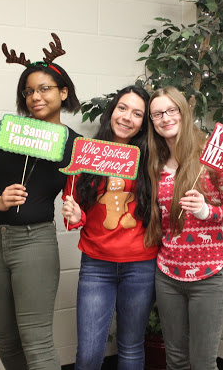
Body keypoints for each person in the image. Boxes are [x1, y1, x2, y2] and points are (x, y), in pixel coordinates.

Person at [0, 40, 81, 370]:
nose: (35, 97)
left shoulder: (76, 145)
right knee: (6, 337)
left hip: (35, 243)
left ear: (63, 92)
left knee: (36, 340)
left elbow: (86, 199)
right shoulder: (4, 131)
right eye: (28, 92)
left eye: (44, 89)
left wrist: (77, 211)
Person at [144, 86, 223, 370]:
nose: (165, 118)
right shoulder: (155, 162)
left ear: (183, 112)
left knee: (202, 362)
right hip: (168, 275)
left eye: (171, 110)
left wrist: (206, 211)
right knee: (175, 360)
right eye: (157, 114)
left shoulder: (212, 156)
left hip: (209, 276)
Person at [61, 85, 158, 370]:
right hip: (96, 264)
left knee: (130, 348)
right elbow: (73, 216)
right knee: (89, 353)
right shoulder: (88, 154)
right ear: (112, 111)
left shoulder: (152, 158)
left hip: (141, 265)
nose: (128, 117)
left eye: (137, 113)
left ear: (144, 122)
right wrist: (74, 214)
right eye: (122, 108)